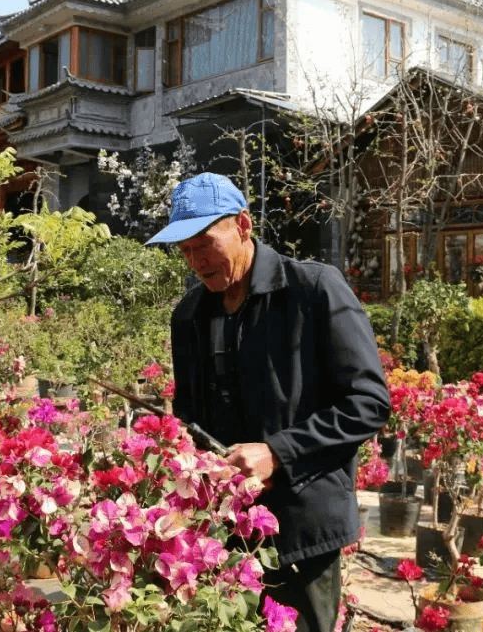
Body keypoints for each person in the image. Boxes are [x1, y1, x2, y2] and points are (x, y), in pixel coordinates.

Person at [145, 173, 390, 632]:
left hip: (301, 529)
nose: (196, 260)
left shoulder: (313, 290)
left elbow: (369, 402)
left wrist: (278, 452)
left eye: (204, 243)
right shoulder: (190, 315)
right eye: (184, 250)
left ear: (242, 224)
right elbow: (191, 414)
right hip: (224, 533)